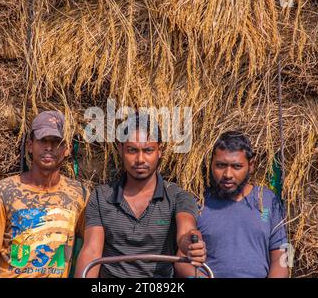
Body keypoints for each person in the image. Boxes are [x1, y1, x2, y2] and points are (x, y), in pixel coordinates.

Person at [75, 113, 206, 278]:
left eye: (148, 150)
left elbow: (186, 232)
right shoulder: (101, 196)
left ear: (160, 150)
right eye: (132, 150)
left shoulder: (177, 196)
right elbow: (92, 251)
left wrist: (191, 244)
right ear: (120, 149)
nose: (140, 159)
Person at [0, 111, 86, 278]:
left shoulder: (79, 195)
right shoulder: (2, 191)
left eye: (56, 141)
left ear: (67, 149)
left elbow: (92, 245)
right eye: (42, 140)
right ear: (29, 145)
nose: (49, 147)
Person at [175, 131, 289, 278]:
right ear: (211, 164)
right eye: (221, 165)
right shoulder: (198, 201)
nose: (228, 174)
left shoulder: (267, 200)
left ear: (251, 165)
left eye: (236, 166)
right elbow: (180, 260)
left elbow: (281, 257)